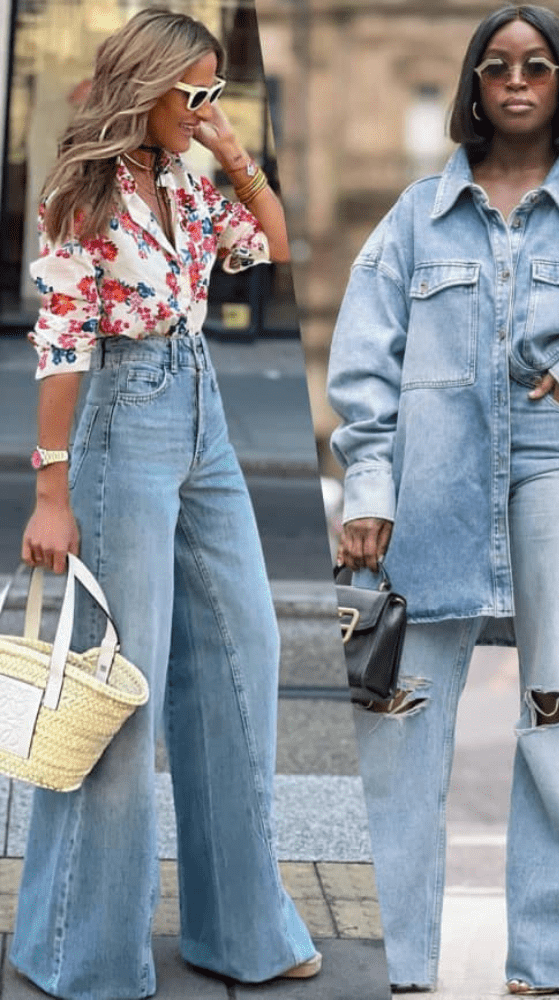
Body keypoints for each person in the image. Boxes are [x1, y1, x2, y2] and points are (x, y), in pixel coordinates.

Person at [327, 4, 559, 992]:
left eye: (536, 64)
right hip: (432, 483)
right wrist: (367, 485)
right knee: (396, 715)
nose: (517, 79)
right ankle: (397, 960)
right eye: (496, 65)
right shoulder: (414, 215)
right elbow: (365, 363)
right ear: (474, 87)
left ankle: (554, 964)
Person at [16, 10, 320, 998]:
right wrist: (49, 490)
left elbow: (271, 246)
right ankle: (79, 948)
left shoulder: (185, 179)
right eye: (194, 93)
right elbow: (61, 339)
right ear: (144, 86)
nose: (206, 109)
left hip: (203, 411)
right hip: (121, 417)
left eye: (215, 94)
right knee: (120, 684)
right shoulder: (82, 190)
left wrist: (231, 148)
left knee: (244, 653)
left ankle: (241, 929)